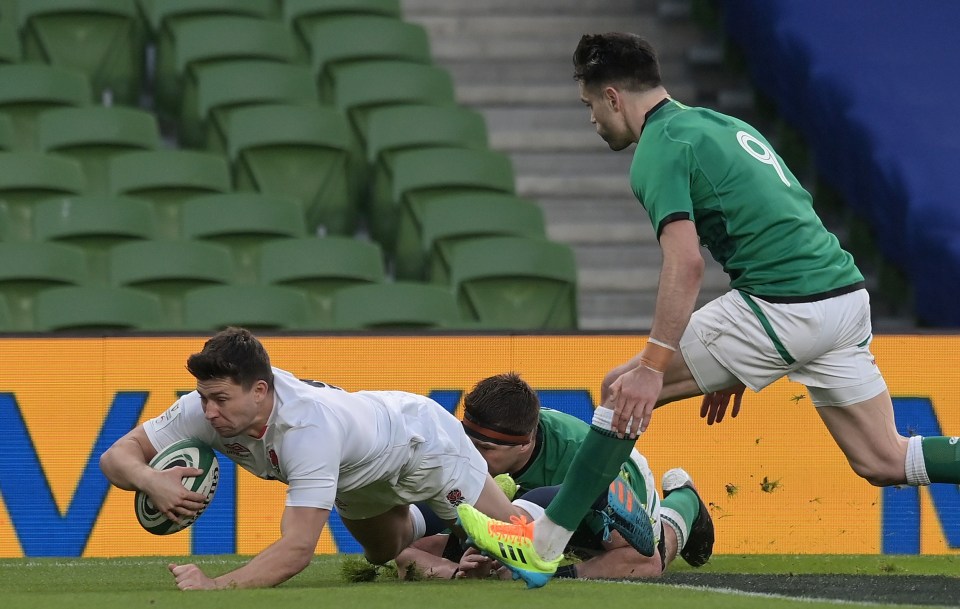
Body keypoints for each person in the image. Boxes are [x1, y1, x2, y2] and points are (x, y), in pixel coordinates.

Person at [457, 32, 960, 588]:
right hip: (843, 297)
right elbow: (780, 218)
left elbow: (687, 263)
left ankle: (544, 543)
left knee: (623, 386)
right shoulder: (722, 126)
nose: (593, 120)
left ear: (613, 96)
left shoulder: (659, 147)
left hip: (784, 303)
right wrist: (743, 359)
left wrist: (655, 364)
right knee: (884, 459)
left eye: (589, 106)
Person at [99, 326, 526, 590]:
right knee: (384, 553)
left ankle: (552, 520)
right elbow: (117, 456)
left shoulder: (306, 431)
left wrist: (215, 586)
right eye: (204, 397)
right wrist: (151, 480)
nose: (209, 411)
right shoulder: (205, 409)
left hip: (420, 445)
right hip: (355, 476)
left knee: (514, 546)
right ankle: (445, 535)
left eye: (221, 399)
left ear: (260, 391)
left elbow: (298, 549)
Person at [394, 372, 711, 581]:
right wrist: (454, 573)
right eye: (468, 442)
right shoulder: (461, 451)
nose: (472, 458)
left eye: (486, 448)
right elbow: (402, 550)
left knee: (655, 554)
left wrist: (560, 576)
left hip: (621, 477)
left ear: (525, 444)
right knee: (444, 540)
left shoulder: (583, 465)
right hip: (537, 500)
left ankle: (685, 500)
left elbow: (644, 563)